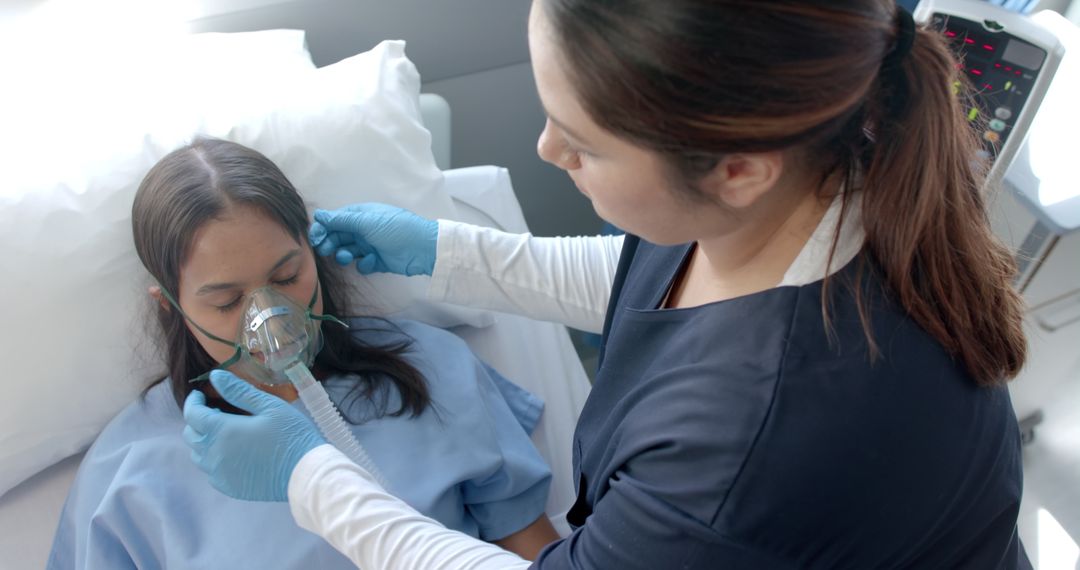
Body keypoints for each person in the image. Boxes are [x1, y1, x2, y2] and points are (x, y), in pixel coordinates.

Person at [181, 1, 1032, 568]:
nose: (548, 152)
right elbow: (664, 288)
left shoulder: (751, 453)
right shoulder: (816, 183)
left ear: (737, 169)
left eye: (581, 142)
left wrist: (312, 480)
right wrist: (449, 252)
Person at [47, 138, 559, 569]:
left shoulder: (432, 369)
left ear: (311, 252)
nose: (269, 315)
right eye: (227, 301)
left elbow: (534, 549)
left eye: (287, 277)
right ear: (172, 306)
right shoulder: (127, 471)